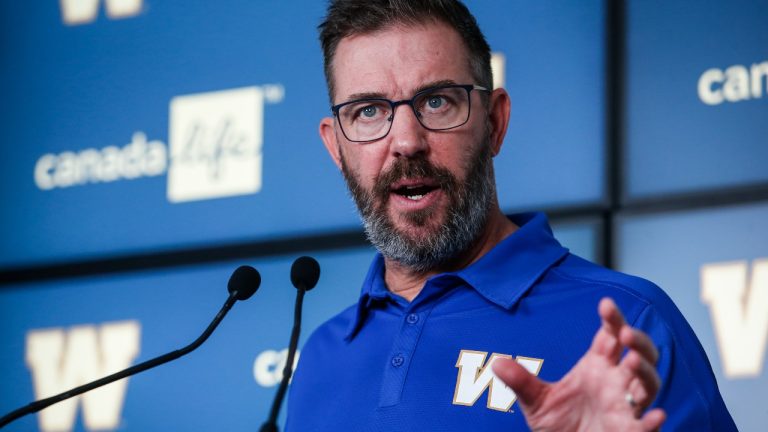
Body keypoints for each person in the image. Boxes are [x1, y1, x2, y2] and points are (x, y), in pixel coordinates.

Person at [286, 0, 736, 430]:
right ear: (336, 148)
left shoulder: (630, 323)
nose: (406, 141)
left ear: (495, 122)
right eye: (368, 111)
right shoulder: (321, 355)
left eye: (437, 102)